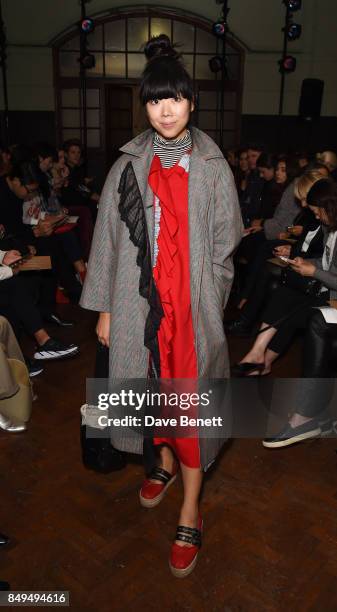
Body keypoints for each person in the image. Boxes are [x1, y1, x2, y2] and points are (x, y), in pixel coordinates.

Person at [80, 34, 243, 577]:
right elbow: (106, 239)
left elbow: (227, 243)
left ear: (192, 103)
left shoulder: (214, 166)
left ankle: (191, 510)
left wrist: (211, 297)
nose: (165, 109)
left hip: (191, 314)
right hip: (138, 306)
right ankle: (164, 462)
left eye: (175, 98)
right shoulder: (128, 164)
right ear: (145, 105)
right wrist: (105, 307)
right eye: (154, 100)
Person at [232, 178, 337, 378]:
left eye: (317, 211)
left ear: (329, 207)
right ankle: (257, 355)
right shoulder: (329, 229)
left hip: (332, 298)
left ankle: (264, 361)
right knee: (284, 294)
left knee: (292, 310)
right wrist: (306, 263)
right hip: (327, 291)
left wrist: (313, 271)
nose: (315, 215)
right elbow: (325, 262)